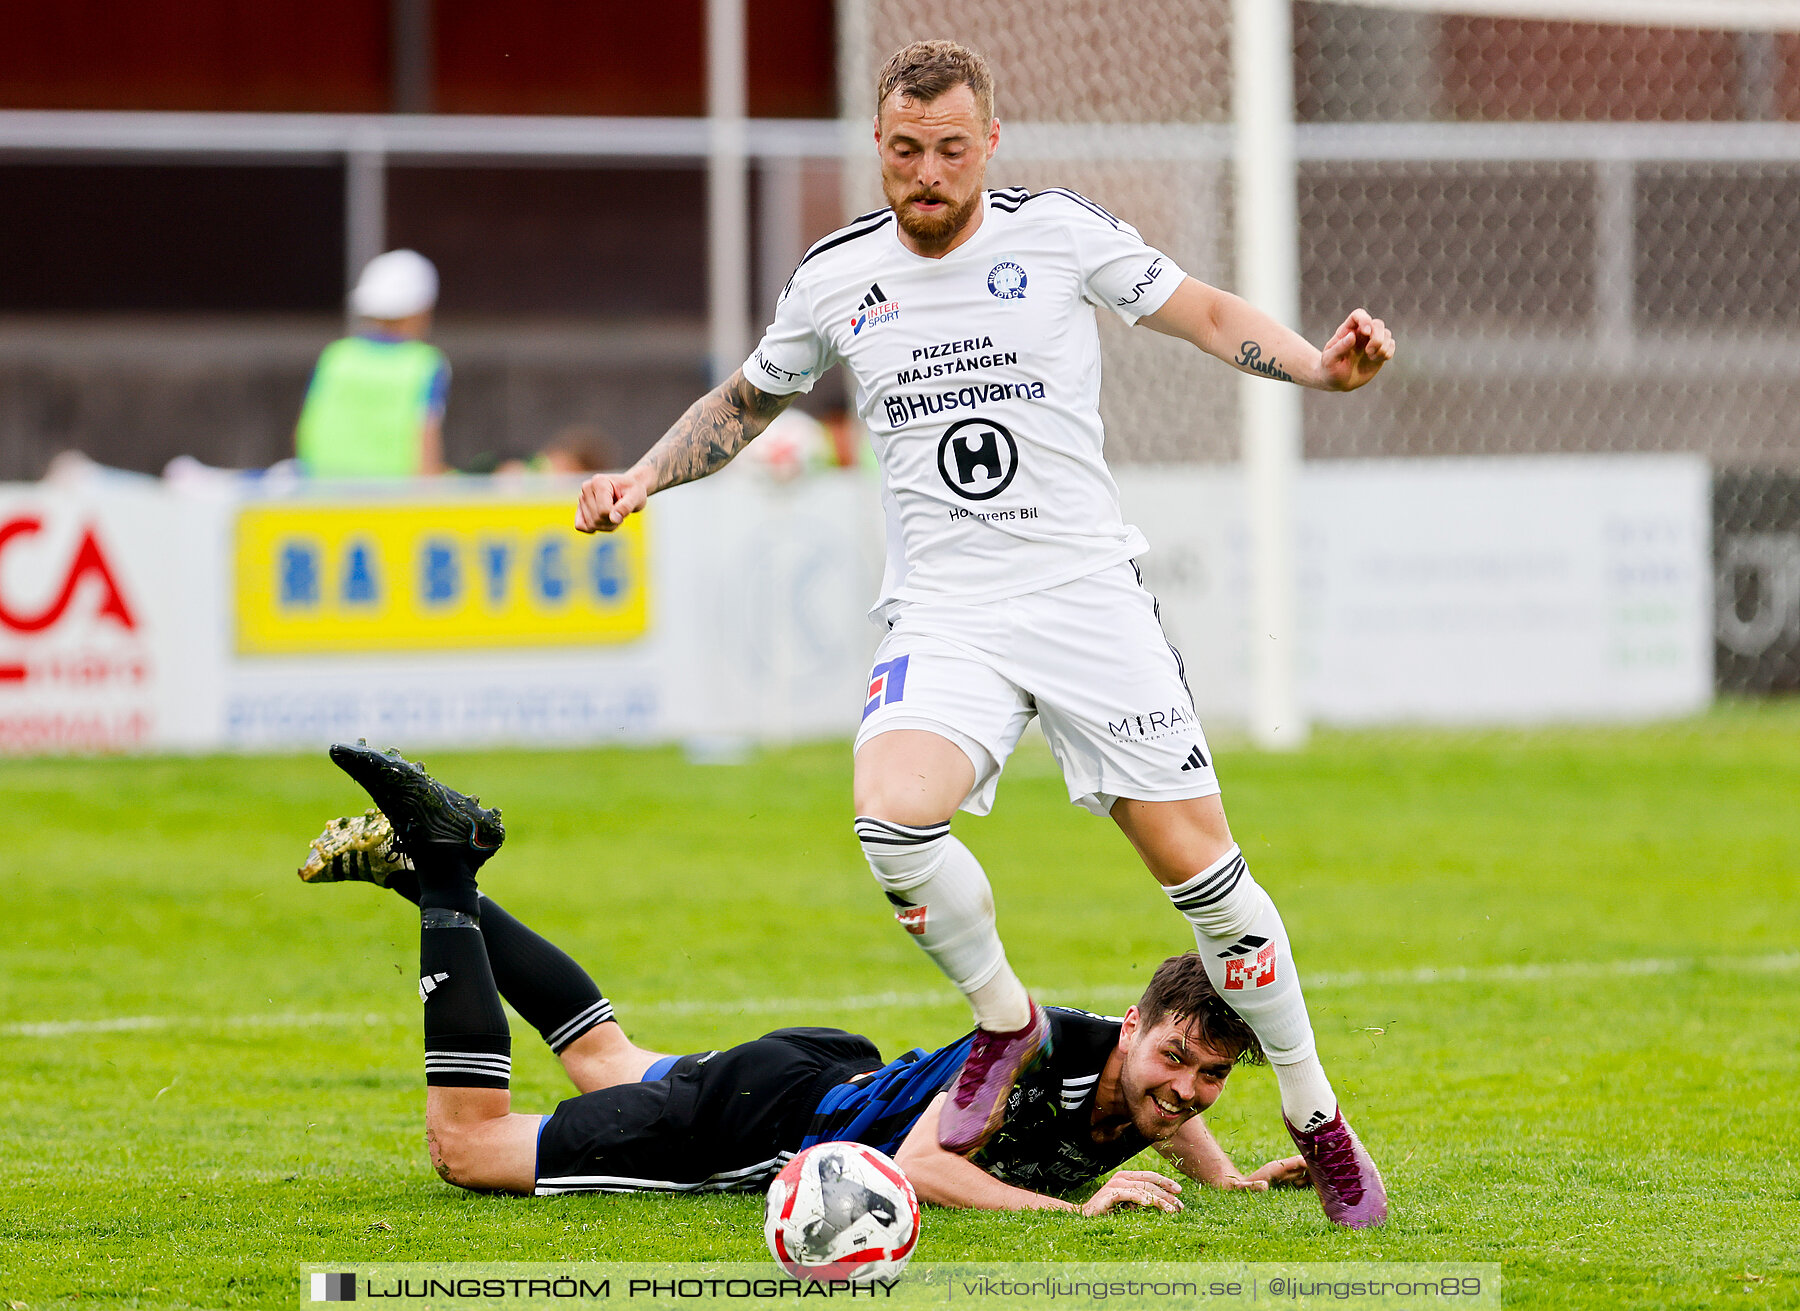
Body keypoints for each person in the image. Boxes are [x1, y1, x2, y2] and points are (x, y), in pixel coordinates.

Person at [573, 40, 1396, 1226]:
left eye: (952, 150)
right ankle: (1005, 1025)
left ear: (989, 145)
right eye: (906, 151)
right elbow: (747, 403)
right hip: (946, 612)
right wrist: (645, 475)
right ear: (879, 146)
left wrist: (1320, 369)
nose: (929, 174)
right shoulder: (835, 275)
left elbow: (1204, 312)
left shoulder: (1056, 232)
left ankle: (1317, 1117)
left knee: (1205, 881)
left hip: (1084, 600)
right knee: (890, 819)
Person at [304, 743, 1308, 1211]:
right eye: (1175, 1057)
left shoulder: (1138, 1069)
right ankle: (441, 867)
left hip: (811, 1072)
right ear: (1130, 1025)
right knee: (469, 1148)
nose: (1184, 1091)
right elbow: (921, 1170)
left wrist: (1226, 1175)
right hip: (763, 1128)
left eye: (1209, 1077)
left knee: (607, 1060)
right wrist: (1075, 1210)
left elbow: (1158, 1098)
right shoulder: (1037, 1050)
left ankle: (445, 876)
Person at [295, 250, 450, 478]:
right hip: (390, 503)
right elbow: (426, 440)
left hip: (322, 496)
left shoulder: (336, 357)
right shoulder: (425, 364)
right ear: (422, 310)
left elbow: (304, 431)